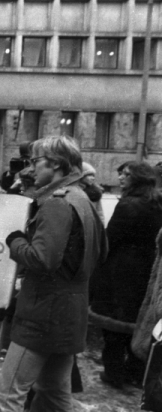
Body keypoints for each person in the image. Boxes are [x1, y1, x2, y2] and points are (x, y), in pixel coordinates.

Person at [0, 135, 107, 412]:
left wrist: (15, 240)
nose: (31, 169)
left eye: (36, 161)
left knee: (7, 397)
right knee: (54, 395)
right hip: (70, 313)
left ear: (55, 164)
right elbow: (101, 252)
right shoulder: (82, 198)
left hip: (42, 314)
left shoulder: (57, 203)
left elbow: (41, 259)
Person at [91, 162, 162, 389]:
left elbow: (110, 239)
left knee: (113, 322)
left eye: (127, 175)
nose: (121, 177)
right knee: (137, 320)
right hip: (147, 267)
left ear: (138, 178)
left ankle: (114, 372)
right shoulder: (157, 202)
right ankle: (135, 370)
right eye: (121, 173)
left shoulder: (128, 205)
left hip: (121, 269)